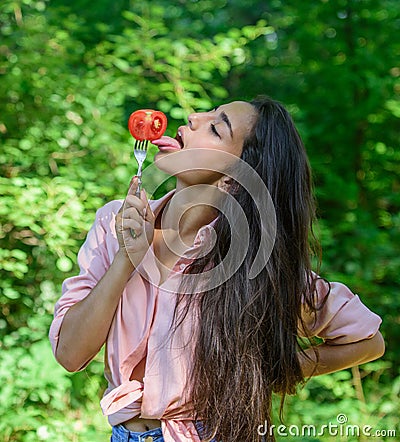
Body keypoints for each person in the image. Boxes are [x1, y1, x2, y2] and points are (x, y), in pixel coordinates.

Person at [49, 97, 385, 442]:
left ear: (233, 180)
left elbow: (369, 342)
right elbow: (70, 354)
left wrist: (270, 372)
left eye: (215, 127)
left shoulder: (254, 267)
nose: (193, 117)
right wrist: (126, 259)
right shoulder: (114, 223)